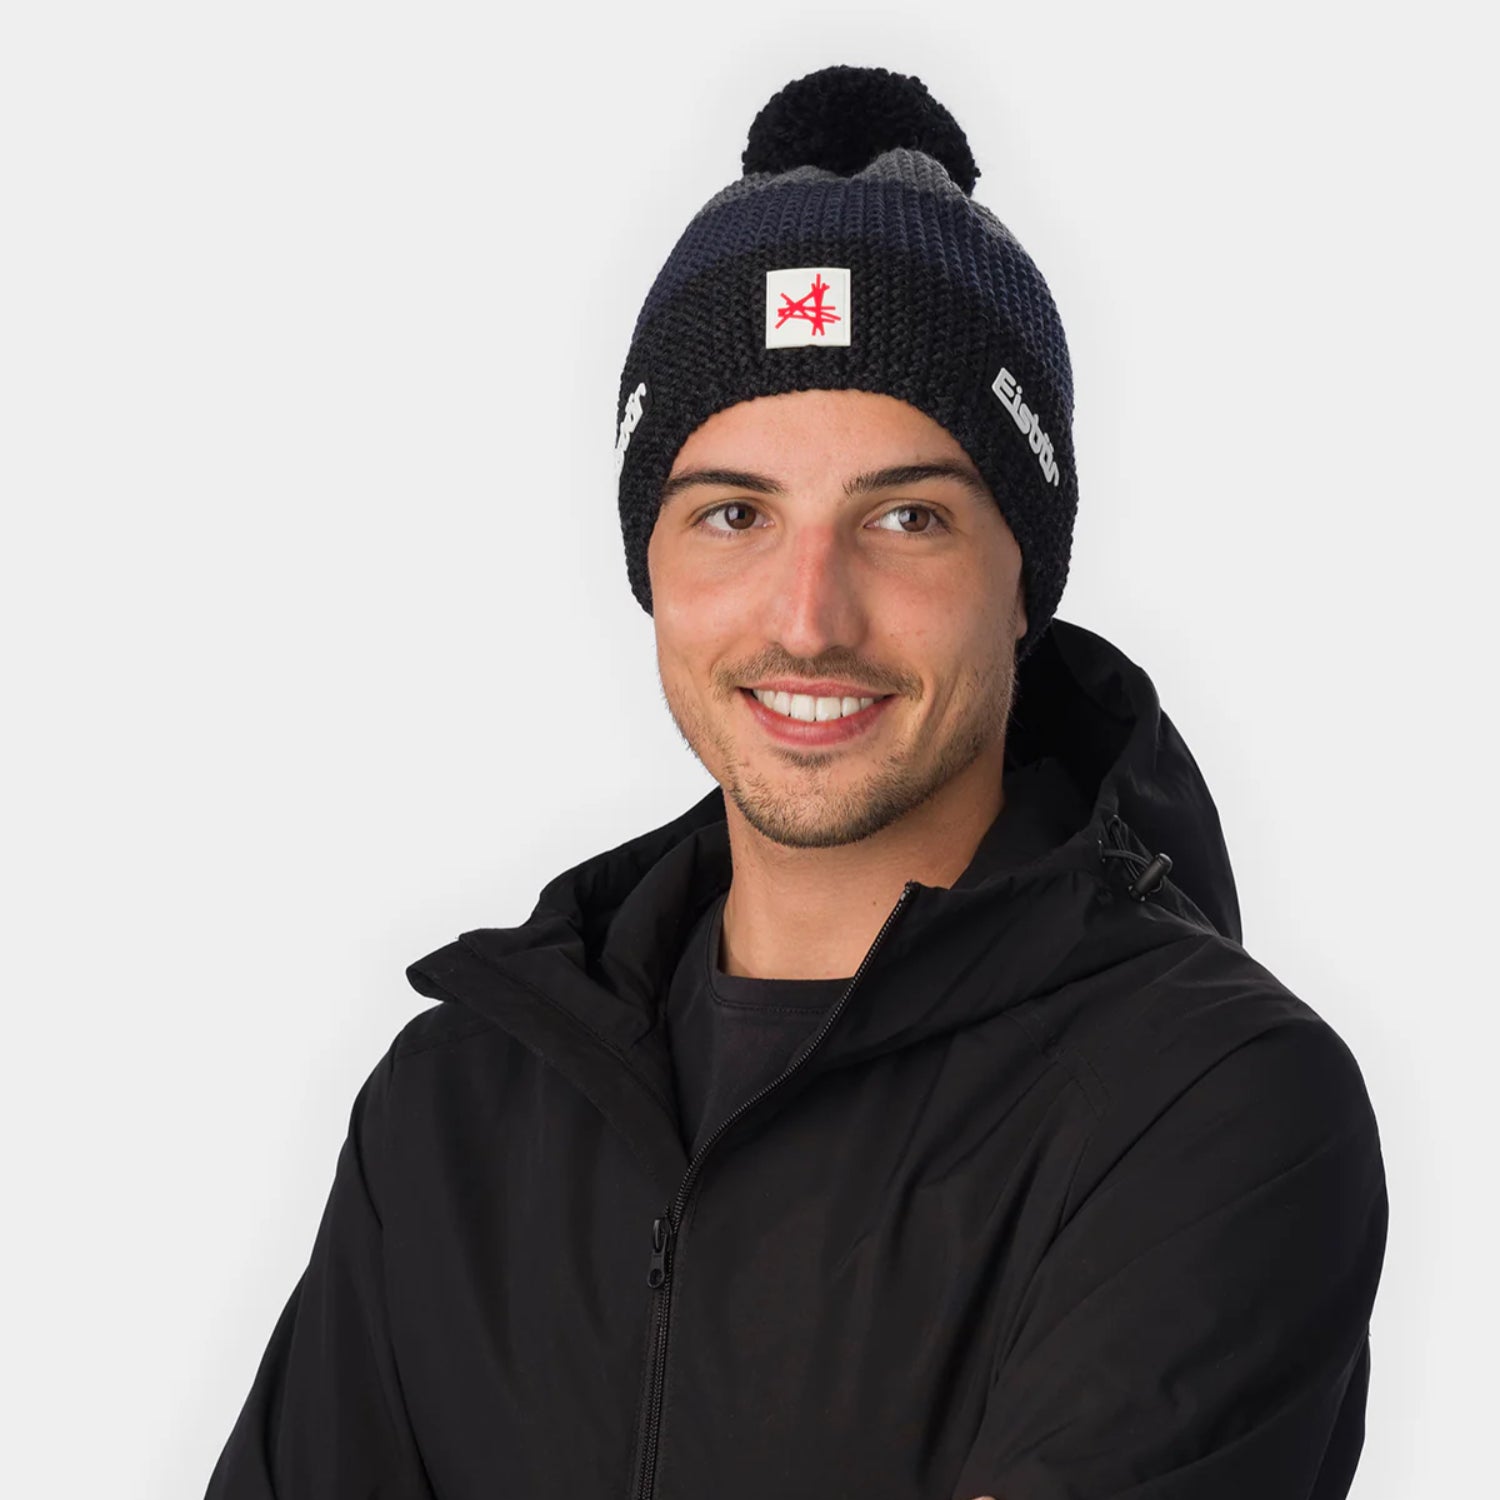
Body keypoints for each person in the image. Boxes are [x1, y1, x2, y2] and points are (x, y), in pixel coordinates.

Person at [205, 64, 1388, 1500]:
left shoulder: (1211, 1109)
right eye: (733, 514)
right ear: (651, 565)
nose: (810, 617)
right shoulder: (455, 1112)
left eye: (907, 516)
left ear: (1025, 577)